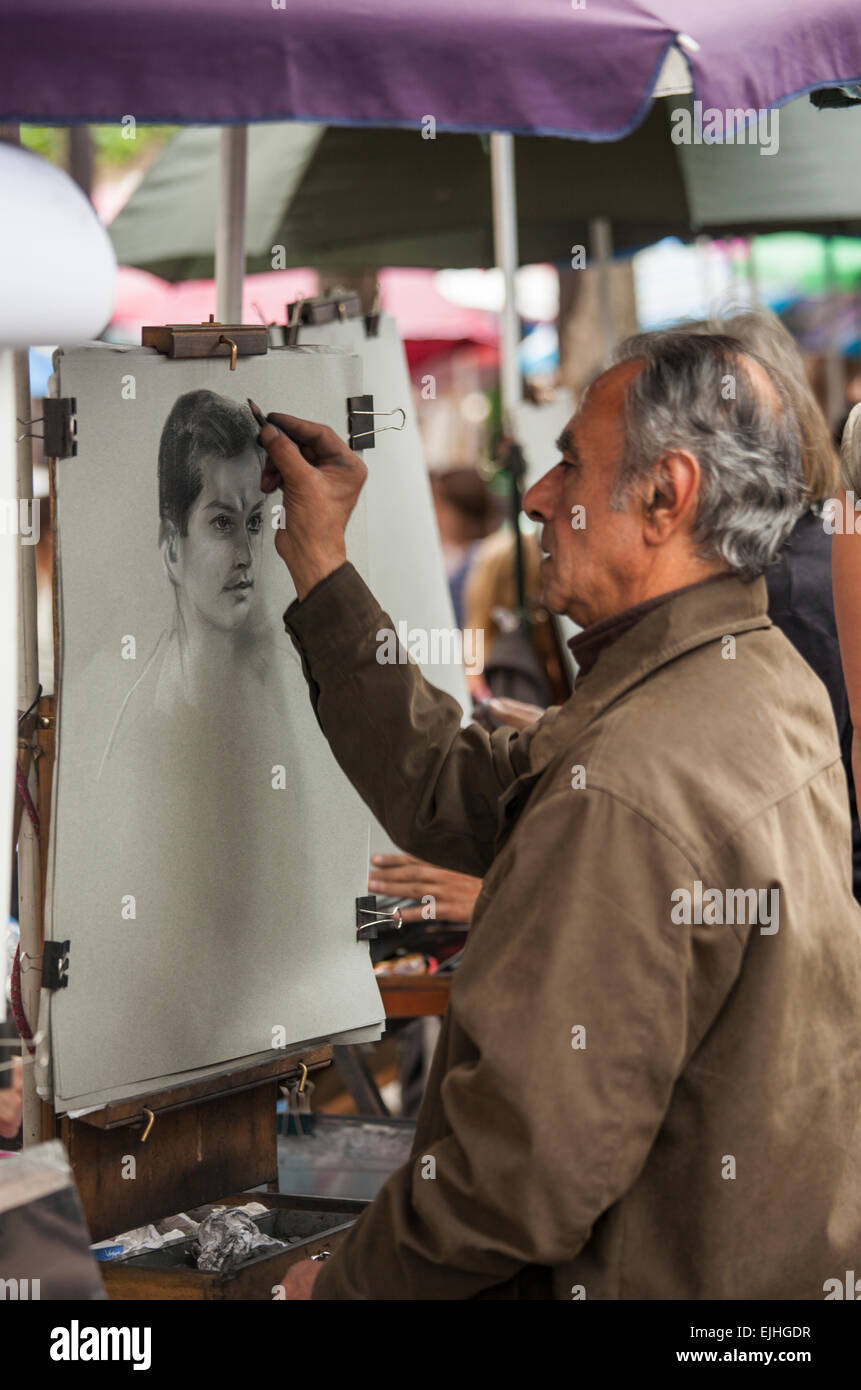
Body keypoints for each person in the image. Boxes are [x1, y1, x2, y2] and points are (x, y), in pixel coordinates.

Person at [266, 330, 861, 1301]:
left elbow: (515, 1180)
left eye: (571, 463)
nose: (540, 497)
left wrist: (338, 1292)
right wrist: (327, 573)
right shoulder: (757, 674)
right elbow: (457, 786)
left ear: (666, 495)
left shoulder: (638, 778)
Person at [101, 389, 271, 774]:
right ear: (172, 548)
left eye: (255, 522)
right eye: (223, 522)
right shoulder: (129, 723)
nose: (246, 555)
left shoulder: (291, 693)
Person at [430, 467, 497, 627]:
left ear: (461, 511)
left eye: (440, 506)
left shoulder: (480, 560)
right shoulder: (460, 555)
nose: (435, 515)